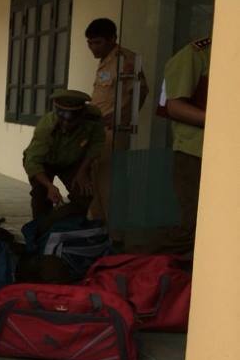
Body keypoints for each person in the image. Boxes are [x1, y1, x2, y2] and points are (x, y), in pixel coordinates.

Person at [85, 18, 148, 225]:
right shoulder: (106, 60)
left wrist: (122, 117)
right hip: (98, 131)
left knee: (109, 183)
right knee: (96, 181)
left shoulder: (125, 60)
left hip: (113, 132)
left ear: (112, 39)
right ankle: (97, 227)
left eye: (98, 42)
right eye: (90, 43)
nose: (93, 47)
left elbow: (140, 91)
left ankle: (114, 230)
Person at [158, 37, 210, 254]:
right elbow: (175, 107)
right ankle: (154, 266)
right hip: (194, 151)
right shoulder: (196, 54)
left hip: (223, 151)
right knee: (191, 224)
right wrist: (219, 120)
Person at [22, 89, 105, 220]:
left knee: (84, 196)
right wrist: (49, 186)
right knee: (41, 196)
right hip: (44, 163)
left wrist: (82, 172)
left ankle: (61, 224)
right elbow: (33, 161)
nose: (66, 124)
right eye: (62, 119)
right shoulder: (46, 126)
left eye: (71, 120)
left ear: (82, 114)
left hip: (72, 162)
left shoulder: (93, 118)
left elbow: (96, 144)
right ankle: (41, 228)